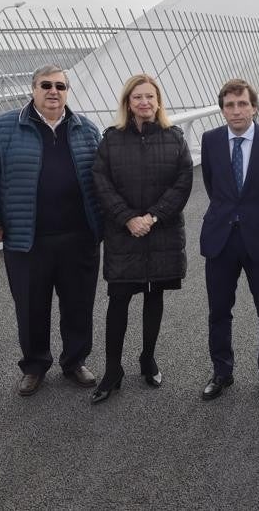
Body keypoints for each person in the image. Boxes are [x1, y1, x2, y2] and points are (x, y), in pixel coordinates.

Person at [0, 65, 103, 397]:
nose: (53, 91)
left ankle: (74, 361)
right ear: (33, 89)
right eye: (46, 85)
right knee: (31, 307)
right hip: (27, 239)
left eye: (61, 85)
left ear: (68, 91)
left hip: (79, 237)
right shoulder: (4, 127)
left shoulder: (85, 129)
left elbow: (103, 180)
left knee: (78, 304)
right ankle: (34, 365)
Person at [88, 74, 194, 405]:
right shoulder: (112, 140)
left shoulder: (174, 137)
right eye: (137, 98)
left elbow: (183, 182)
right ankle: (112, 370)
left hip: (159, 232)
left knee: (154, 297)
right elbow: (101, 182)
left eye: (150, 96)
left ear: (158, 101)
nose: (144, 102)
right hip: (125, 235)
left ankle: (148, 360)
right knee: (118, 300)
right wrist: (128, 218)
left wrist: (152, 217)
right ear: (127, 103)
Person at [199, 79, 259, 403]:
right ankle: (221, 372)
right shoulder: (210, 140)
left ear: (254, 107)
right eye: (229, 105)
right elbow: (214, 187)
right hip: (221, 239)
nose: (236, 111)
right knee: (218, 312)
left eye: (242, 104)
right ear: (222, 109)